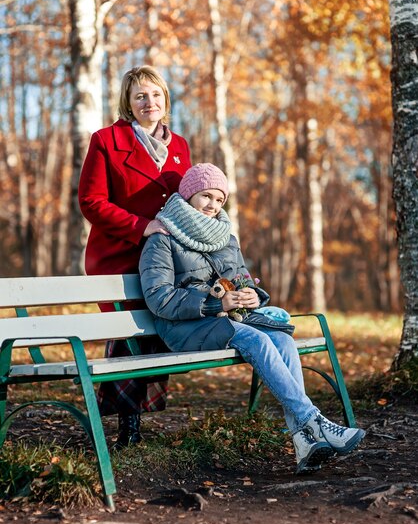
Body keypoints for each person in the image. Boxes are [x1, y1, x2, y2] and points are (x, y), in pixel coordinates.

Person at [139, 163, 366, 473]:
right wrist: (210, 304)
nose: (212, 205)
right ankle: (313, 421)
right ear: (188, 194)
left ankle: (304, 442)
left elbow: (243, 280)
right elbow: (158, 298)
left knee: (283, 339)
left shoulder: (225, 237)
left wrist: (253, 296)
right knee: (255, 338)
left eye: (219, 200)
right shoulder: (163, 237)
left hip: (228, 321)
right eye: (206, 196)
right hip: (184, 327)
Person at [78, 65, 192, 448]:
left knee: (156, 331)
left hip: (163, 257)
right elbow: (91, 202)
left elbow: (188, 202)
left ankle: (143, 416)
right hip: (118, 253)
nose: (150, 102)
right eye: (141, 95)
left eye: (156, 94)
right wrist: (141, 226)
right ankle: (127, 429)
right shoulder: (106, 140)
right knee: (128, 336)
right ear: (128, 101)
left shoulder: (179, 146)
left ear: (165, 100)